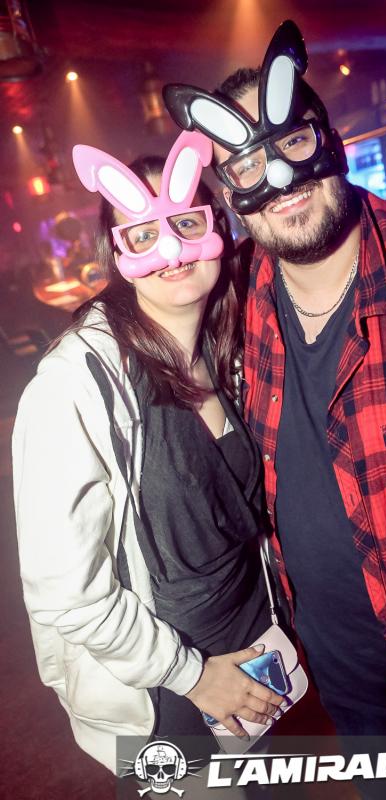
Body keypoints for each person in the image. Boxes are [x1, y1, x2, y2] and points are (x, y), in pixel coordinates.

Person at [163, 20, 386, 800]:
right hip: (344, 670)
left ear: (327, 138)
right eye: (245, 164)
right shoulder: (239, 299)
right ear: (228, 194)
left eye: (291, 143)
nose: (279, 180)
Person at [12, 131, 285, 775]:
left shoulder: (230, 349)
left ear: (217, 226)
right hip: (164, 692)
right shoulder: (75, 383)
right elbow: (66, 596)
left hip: (256, 651)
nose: (171, 249)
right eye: (143, 234)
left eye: (187, 222)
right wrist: (193, 677)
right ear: (117, 252)